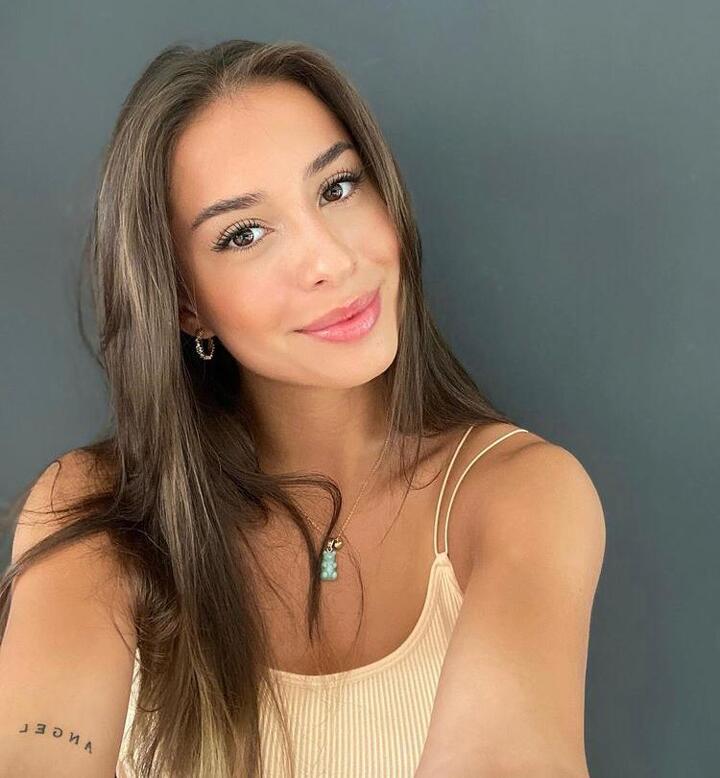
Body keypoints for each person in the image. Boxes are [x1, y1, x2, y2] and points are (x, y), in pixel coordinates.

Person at [0, 39, 605, 778]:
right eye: (244, 234)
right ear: (186, 304)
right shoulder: (96, 513)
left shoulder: (522, 494)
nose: (330, 261)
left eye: (337, 187)